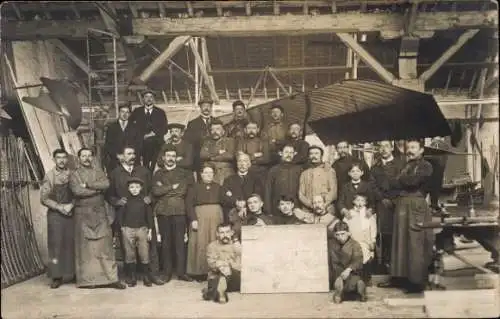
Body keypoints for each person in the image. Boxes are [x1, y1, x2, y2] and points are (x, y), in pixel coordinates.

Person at [379, 139, 434, 293]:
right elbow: (393, 184)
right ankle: (398, 278)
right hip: (402, 205)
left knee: (414, 242)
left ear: (421, 150)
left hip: (416, 205)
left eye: (414, 147)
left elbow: (411, 182)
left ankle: (415, 282)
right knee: (400, 241)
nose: (410, 150)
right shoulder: (406, 165)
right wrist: (400, 180)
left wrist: (400, 179)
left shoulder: (426, 166)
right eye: (408, 147)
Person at [106, 146, 164, 286]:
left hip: (144, 214)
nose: (133, 156)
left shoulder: (144, 171)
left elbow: (153, 189)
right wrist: (117, 201)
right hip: (125, 215)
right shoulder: (115, 173)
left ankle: (152, 274)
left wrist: (150, 198)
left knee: (150, 247)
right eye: (129, 153)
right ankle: (130, 275)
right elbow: (109, 194)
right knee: (128, 249)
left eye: (134, 153)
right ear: (121, 157)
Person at [69, 147, 126, 289]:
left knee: (105, 247)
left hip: (100, 213)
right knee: (86, 249)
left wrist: (88, 185)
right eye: (84, 156)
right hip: (82, 214)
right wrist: (97, 191)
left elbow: (106, 184)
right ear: (79, 158)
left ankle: (111, 279)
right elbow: (77, 191)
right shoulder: (74, 175)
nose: (87, 158)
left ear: (92, 157)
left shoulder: (99, 172)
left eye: (89, 155)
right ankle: (88, 281)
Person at [152, 144, 194, 283]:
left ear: (177, 158)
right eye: (168, 156)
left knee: (180, 243)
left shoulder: (184, 173)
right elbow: (155, 192)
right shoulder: (158, 173)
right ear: (163, 158)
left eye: (173, 156)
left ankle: (181, 272)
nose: (171, 159)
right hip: (163, 212)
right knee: (166, 243)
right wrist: (171, 187)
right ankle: (167, 272)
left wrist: (164, 189)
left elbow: (181, 191)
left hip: (179, 211)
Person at [40, 149, 75, 289]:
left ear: (67, 159)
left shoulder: (73, 174)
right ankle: (56, 276)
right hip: (56, 215)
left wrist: (72, 205)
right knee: (56, 245)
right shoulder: (49, 176)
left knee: (73, 242)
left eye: (64, 157)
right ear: (53, 159)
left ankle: (75, 273)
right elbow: (44, 198)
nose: (61, 160)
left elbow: (78, 193)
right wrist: (60, 207)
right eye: (58, 158)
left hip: (72, 212)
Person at [186, 164, 225, 281]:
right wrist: (193, 219)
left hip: (216, 216)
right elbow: (188, 204)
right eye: (206, 173)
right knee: (200, 242)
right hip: (200, 217)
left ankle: (216, 270)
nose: (208, 175)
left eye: (211, 173)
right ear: (201, 174)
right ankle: (200, 272)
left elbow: (225, 202)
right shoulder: (194, 187)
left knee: (214, 240)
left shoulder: (218, 187)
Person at [370, 140, 404, 271]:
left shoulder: (401, 165)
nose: (383, 149)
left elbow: (403, 183)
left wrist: (394, 199)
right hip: (382, 204)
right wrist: (382, 198)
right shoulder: (375, 167)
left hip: (398, 203)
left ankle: (398, 262)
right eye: (381, 147)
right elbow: (373, 186)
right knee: (383, 233)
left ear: (391, 148)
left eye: (386, 146)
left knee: (398, 232)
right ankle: (384, 263)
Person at [117, 177, 156, 287]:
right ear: (128, 189)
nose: (134, 189)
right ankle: (132, 277)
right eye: (132, 187)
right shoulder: (125, 201)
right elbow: (120, 215)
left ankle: (146, 277)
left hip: (142, 229)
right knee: (130, 254)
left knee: (144, 253)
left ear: (141, 188)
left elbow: (149, 216)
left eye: (137, 187)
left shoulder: (144, 201)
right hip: (128, 229)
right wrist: (122, 228)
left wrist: (150, 230)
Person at [203, 223, 241, 304]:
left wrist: (227, 265)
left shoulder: (237, 245)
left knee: (226, 269)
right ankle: (218, 292)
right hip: (217, 277)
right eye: (222, 233)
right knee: (218, 275)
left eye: (227, 232)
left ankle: (211, 293)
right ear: (217, 234)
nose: (225, 235)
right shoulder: (212, 246)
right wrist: (222, 266)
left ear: (232, 233)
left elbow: (241, 265)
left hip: (234, 278)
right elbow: (212, 264)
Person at [129, 90, 168, 170]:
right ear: (143, 99)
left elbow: (165, 128)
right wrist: (141, 135)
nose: (149, 99)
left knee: (155, 148)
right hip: (140, 141)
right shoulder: (137, 111)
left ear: (153, 99)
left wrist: (153, 133)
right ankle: (143, 170)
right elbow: (130, 126)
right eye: (146, 97)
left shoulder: (160, 112)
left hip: (156, 141)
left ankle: (151, 169)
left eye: (151, 97)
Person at [330, 221, 367, 304]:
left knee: (357, 281)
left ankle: (360, 291)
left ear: (348, 233)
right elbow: (334, 262)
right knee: (338, 283)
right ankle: (340, 292)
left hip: (353, 272)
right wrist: (340, 275)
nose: (340, 237)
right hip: (340, 273)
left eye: (342, 234)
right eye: (337, 234)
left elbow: (358, 260)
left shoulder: (355, 244)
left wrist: (349, 269)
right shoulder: (333, 245)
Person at [345, 194, 377, 285]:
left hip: (365, 241)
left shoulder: (368, 214)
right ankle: (354, 279)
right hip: (353, 240)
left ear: (365, 203)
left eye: (362, 201)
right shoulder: (349, 213)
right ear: (353, 202)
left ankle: (366, 279)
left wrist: (372, 241)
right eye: (357, 200)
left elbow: (373, 228)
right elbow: (345, 226)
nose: (360, 203)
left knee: (365, 254)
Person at [222, 152, 264, 219]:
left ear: (249, 164)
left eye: (245, 161)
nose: (242, 164)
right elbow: (224, 197)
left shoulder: (256, 179)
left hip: (252, 215)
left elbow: (258, 195)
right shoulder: (229, 180)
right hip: (233, 215)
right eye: (240, 161)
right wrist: (236, 202)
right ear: (237, 164)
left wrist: (246, 205)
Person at [265, 144, 303, 216]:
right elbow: (268, 190)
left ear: (294, 154)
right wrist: (268, 210)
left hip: (295, 208)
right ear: (280, 153)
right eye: (286, 152)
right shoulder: (273, 170)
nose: (289, 155)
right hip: (277, 208)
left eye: (291, 153)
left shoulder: (299, 170)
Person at [298, 145, 337, 213]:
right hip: (309, 209)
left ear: (321, 155)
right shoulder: (304, 173)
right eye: (311, 153)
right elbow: (301, 194)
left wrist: (324, 204)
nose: (313, 156)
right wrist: (311, 205)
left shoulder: (329, 170)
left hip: (326, 209)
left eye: (316, 153)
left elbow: (333, 191)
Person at [184, 98, 216, 176]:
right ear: (200, 108)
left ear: (211, 108)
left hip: (215, 155)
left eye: (208, 106)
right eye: (204, 106)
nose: (206, 108)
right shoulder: (192, 123)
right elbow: (188, 141)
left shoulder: (217, 121)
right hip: (199, 157)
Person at [103, 103, 138, 174]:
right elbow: (108, 145)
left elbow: (138, 144)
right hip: (116, 160)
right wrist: (117, 156)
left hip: (132, 160)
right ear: (119, 113)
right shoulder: (111, 127)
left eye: (127, 112)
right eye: (122, 112)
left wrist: (131, 156)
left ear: (130, 114)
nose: (125, 114)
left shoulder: (135, 127)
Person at [200, 119, 236, 185]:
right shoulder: (207, 142)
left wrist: (211, 157)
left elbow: (230, 156)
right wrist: (219, 152)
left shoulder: (230, 141)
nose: (215, 132)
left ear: (223, 131)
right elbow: (203, 155)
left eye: (218, 129)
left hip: (225, 172)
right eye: (212, 129)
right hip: (211, 172)